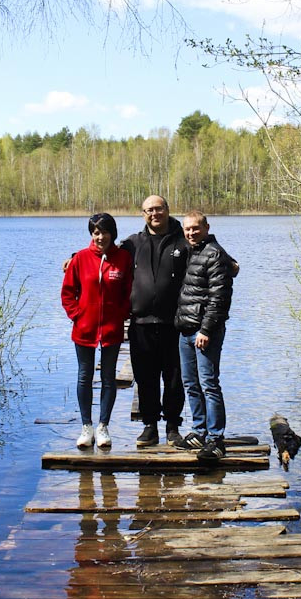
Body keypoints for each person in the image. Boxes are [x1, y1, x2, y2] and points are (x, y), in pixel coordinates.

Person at [119, 196, 189, 447]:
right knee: (145, 376)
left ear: (168, 210)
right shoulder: (132, 244)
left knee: (174, 377)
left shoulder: (185, 240)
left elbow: (209, 254)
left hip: (176, 324)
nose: (154, 213)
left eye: (159, 208)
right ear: (143, 214)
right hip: (141, 324)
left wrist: (230, 264)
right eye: (149, 210)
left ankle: (172, 427)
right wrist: (74, 256)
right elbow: (104, 253)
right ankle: (150, 426)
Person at [61, 213, 133, 449]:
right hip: (84, 330)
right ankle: (86, 427)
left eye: (104, 232)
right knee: (84, 376)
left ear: (113, 233)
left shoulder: (122, 258)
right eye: (96, 232)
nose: (100, 237)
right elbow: (68, 293)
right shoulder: (80, 258)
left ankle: (103, 427)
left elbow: (128, 293)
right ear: (91, 234)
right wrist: (77, 315)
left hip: (112, 330)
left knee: (108, 378)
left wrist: (121, 315)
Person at [173, 211, 234, 462]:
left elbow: (219, 297)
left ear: (206, 227)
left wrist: (206, 330)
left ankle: (216, 439)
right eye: (187, 229)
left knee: (209, 384)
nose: (191, 233)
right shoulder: (192, 251)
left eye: (195, 228)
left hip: (204, 332)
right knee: (191, 384)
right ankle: (199, 431)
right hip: (186, 329)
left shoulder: (214, 254)